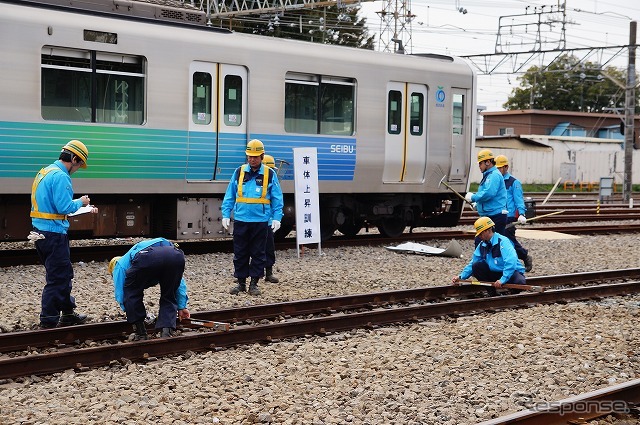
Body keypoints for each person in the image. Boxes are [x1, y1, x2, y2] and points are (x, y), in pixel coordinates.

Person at [30, 139, 97, 329]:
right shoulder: (61, 176)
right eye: (78, 165)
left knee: (63, 273)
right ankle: (48, 321)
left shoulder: (44, 172)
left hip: (40, 232)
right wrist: (82, 202)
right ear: (74, 159)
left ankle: (67, 312)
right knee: (58, 277)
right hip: (54, 234)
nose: (76, 169)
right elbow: (64, 207)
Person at [221, 139, 284, 296]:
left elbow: (277, 198)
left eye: (255, 157)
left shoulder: (269, 174)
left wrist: (277, 217)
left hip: (260, 221)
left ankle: (254, 284)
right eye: (249, 156)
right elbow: (230, 194)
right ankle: (241, 283)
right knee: (240, 252)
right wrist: (225, 213)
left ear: (262, 156)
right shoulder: (239, 172)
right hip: (242, 220)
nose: (252, 159)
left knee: (258, 253)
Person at [108, 238, 190, 340]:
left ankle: (141, 333)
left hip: (147, 257)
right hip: (175, 255)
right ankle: (166, 332)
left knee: (131, 293)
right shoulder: (132, 255)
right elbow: (178, 284)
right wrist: (182, 306)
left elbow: (122, 294)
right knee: (170, 293)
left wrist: (130, 311)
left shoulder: (119, 265)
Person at [452, 216, 526, 296]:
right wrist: (460, 277)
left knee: (520, 283)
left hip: (511, 272)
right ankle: (492, 292)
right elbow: (473, 262)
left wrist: (503, 279)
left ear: (489, 230)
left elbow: (511, 262)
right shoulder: (482, 244)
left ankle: (513, 293)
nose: (479, 235)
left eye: (481, 233)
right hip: (495, 272)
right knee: (476, 266)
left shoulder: (503, 241)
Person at [495, 155, 533, 272]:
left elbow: (518, 200)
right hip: (497, 215)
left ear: (506, 167)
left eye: (500, 168)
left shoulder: (514, 182)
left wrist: (521, 214)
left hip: (509, 217)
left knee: (509, 240)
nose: (498, 170)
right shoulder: (495, 181)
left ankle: (524, 256)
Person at [465, 149, 508, 241]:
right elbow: (487, 194)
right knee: (485, 243)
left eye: (481, 163)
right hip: (491, 215)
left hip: (495, 216)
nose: (479, 166)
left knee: (491, 243)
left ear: (488, 162)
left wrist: (473, 197)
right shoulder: (490, 175)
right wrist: (478, 204)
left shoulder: (494, 175)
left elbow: (489, 193)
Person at [262, 154, 280, 284]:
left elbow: (277, 201)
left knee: (268, 248)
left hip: (267, 221)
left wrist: (276, 218)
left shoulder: (271, 180)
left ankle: (268, 272)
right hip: (259, 220)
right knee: (262, 248)